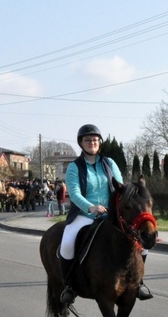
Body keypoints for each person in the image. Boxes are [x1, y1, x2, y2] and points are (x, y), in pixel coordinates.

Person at [59, 124, 153, 304]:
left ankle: (138, 282)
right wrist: (91, 207)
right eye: (87, 140)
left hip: (111, 214)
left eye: (95, 140)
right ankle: (68, 286)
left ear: (99, 143)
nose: (91, 143)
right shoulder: (74, 167)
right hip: (84, 215)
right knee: (67, 243)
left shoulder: (109, 163)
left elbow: (120, 187)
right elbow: (75, 193)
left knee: (143, 242)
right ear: (81, 143)